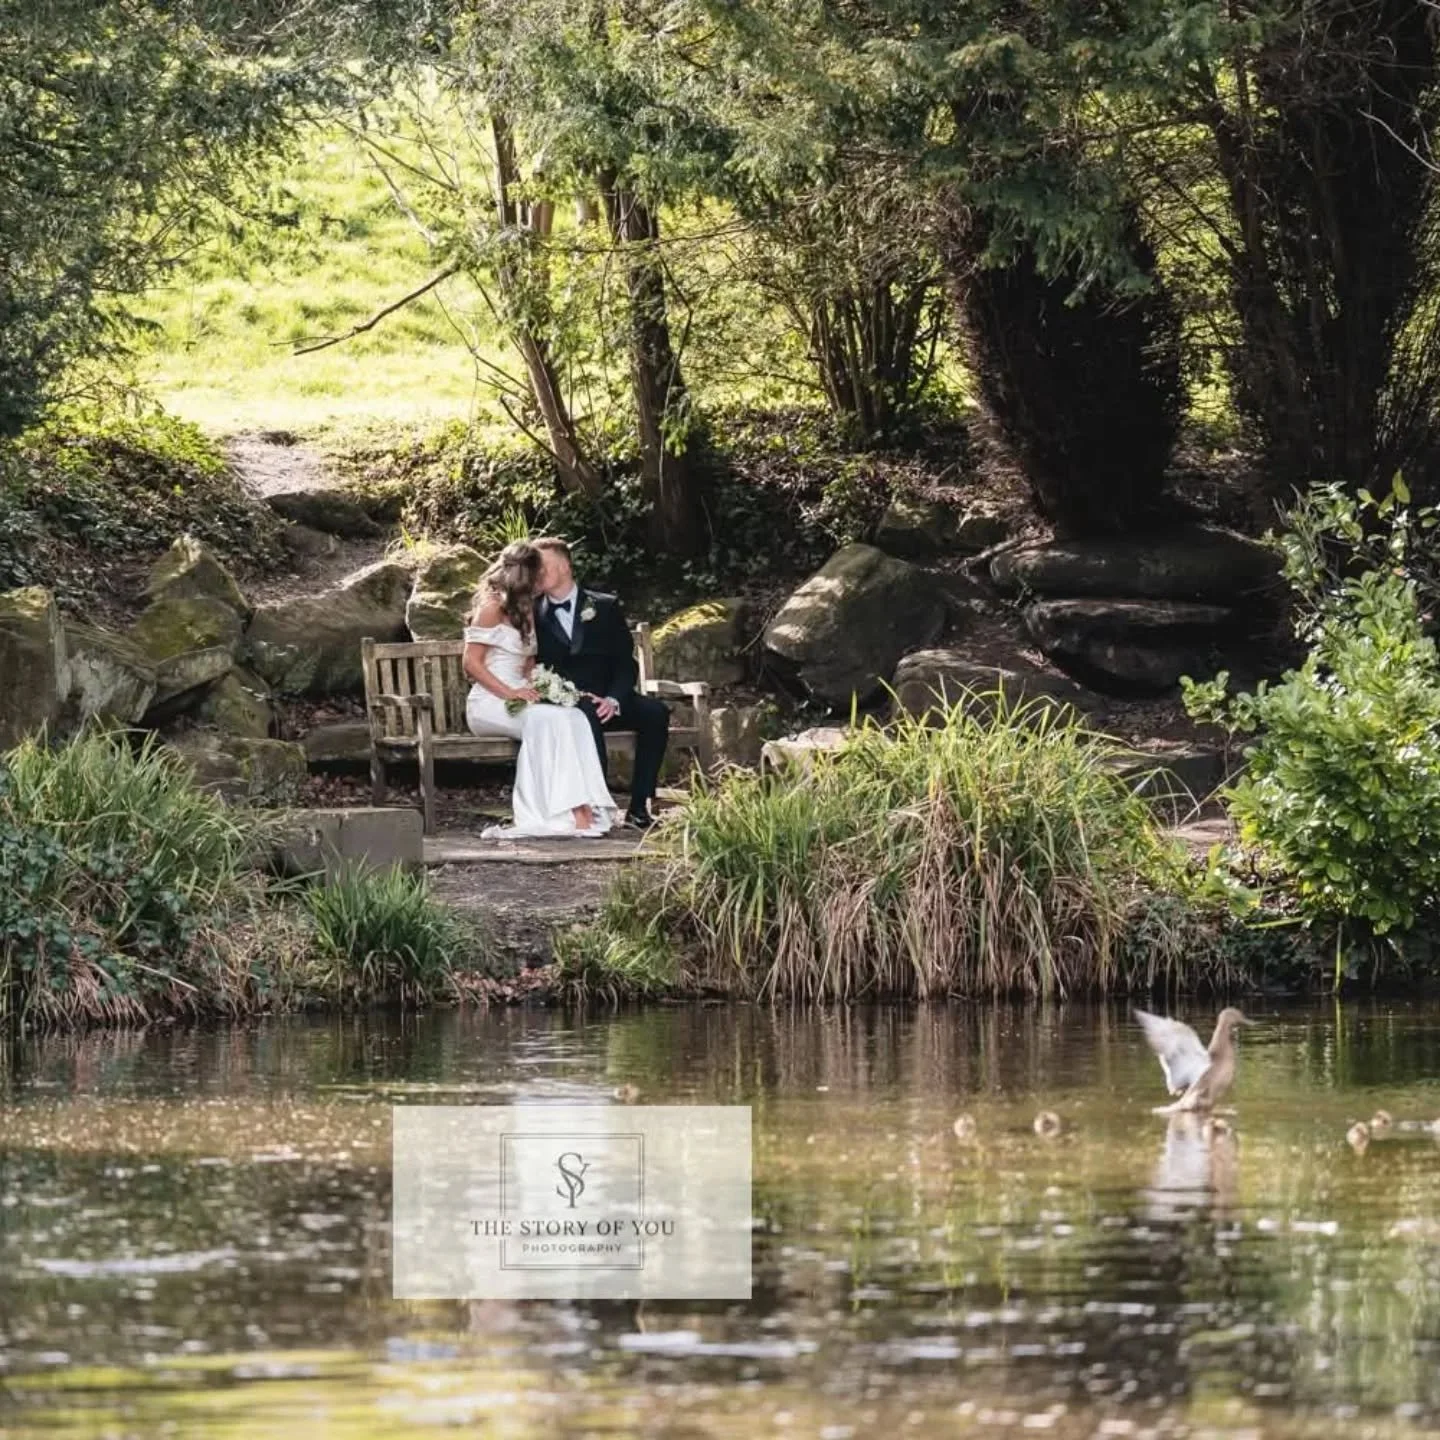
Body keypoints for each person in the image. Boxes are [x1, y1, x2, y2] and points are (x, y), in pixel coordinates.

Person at [462, 541, 616, 838]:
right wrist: (510, 693)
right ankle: (564, 813)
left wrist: (549, 687)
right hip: (489, 703)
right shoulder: (491, 608)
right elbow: (471, 663)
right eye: (538, 573)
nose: (542, 579)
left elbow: (529, 663)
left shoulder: (529, 610)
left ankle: (587, 806)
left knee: (573, 717)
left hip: (523, 697)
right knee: (549, 720)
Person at [532, 536, 670, 831]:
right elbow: (532, 667)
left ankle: (638, 809)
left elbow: (625, 662)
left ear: (566, 565)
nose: (537, 573)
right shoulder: (532, 614)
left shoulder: (604, 607)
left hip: (610, 698)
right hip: (567, 705)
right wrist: (567, 696)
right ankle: (598, 806)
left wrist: (615, 699)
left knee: (655, 712)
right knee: (584, 712)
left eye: (542, 565)